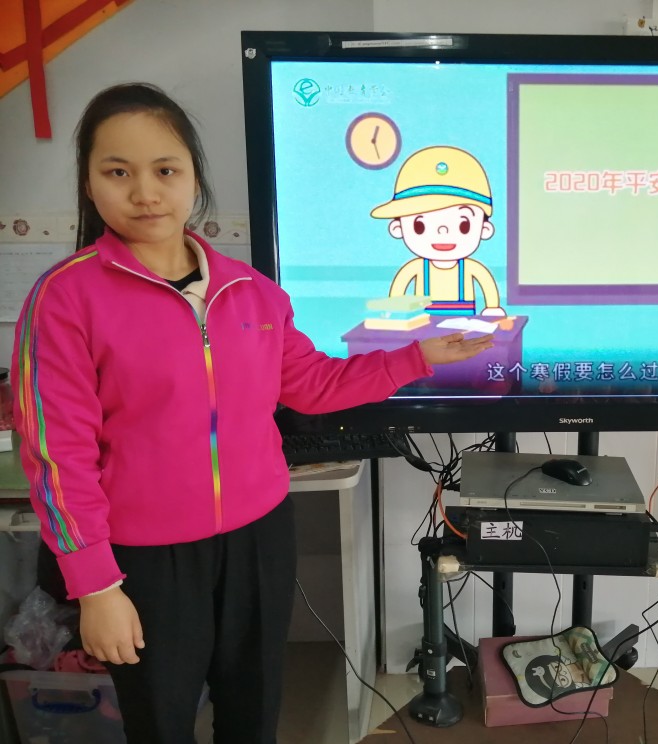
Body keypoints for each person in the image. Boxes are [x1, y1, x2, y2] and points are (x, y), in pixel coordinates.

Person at [10, 82, 493, 744]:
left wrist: (416, 357)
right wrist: (95, 586)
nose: (145, 192)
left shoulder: (252, 293)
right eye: (117, 172)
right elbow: (57, 454)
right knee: (161, 723)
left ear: (194, 179)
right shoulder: (66, 297)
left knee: (255, 712)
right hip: (144, 559)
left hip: (259, 537)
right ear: (89, 184)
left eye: (165, 170)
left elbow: (312, 386)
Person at [372, 145, 507, 317]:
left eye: (463, 226)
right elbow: (398, 291)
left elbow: (486, 284)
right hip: (422, 328)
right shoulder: (416, 268)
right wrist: (394, 311)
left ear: (484, 229)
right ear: (397, 229)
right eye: (420, 226)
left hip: (465, 327)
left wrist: (492, 307)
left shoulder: (471, 268)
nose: (443, 232)